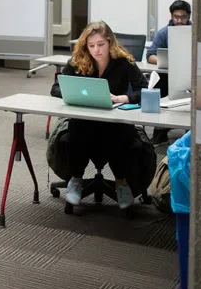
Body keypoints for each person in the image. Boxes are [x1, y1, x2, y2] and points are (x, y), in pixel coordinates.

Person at [51, 21, 148, 210]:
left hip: (115, 121)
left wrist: (121, 98)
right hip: (85, 120)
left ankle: (121, 183)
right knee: (78, 130)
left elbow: (144, 89)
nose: (96, 50)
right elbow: (55, 88)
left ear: (110, 42)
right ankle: (76, 180)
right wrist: (75, 93)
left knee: (119, 135)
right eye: (91, 45)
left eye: (101, 45)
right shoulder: (78, 60)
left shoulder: (123, 61)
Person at [146, 0, 192, 143]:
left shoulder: (196, 31)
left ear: (189, 16)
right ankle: (160, 130)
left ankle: (190, 131)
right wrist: (169, 61)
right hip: (169, 73)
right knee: (159, 86)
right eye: (176, 17)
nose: (179, 20)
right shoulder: (164, 33)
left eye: (183, 17)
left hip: (191, 75)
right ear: (171, 16)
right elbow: (150, 56)